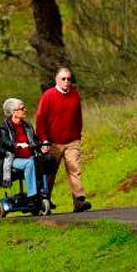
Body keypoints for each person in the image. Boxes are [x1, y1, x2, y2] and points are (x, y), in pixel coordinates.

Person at [35, 67, 92, 212]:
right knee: (49, 172)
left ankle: (79, 200)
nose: (67, 82)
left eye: (69, 79)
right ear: (57, 80)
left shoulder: (75, 95)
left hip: (72, 140)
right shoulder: (48, 96)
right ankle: (44, 200)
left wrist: (78, 136)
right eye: (63, 79)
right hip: (53, 142)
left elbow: (78, 117)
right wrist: (43, 140)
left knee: (74, 169)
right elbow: (40, 120)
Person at [0, 98, 50, 203]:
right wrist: (17, 145)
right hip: (13, 159)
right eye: (22, 108)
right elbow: (4, 142)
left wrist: (41, 147)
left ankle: (45, 194)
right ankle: (32, 195)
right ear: (13, 112)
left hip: (29, 156)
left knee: (44, 160)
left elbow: (34, 141)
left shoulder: (27, 126)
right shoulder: (3, 127)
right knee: (30, 163)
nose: (25, 110)